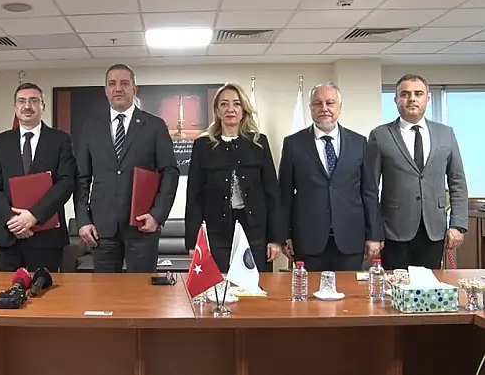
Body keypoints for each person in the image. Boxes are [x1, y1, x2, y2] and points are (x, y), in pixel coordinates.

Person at [75, 63, 179, 273]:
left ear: (134, 88)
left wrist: (157, 215)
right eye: (112, 84)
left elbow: (170, 172)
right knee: (106, 290)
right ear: (106, 90)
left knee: (142, 290)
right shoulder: (91, 127)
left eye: (124, 83)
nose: (118, 89)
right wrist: (83, 220)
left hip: (142, 225)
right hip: (102, 228)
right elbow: (81, 178)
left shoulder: (155, 126)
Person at [278, 82, 383, 272]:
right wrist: (283, 234)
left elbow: (369, 192)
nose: (324, 108)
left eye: (330, 103)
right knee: (310, 290)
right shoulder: (293, 144)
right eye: (317, 103)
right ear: (310, 107)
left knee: (349, 290)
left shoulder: (359, 142)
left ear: (339, 107)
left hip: (351, 238)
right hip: (308, 239)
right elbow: (284, 194)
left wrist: (374, 234)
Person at [367, 74, 468, 270]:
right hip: (393, 230)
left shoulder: (446, 133)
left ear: (427, 98)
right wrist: (373, 232)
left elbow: (457, 181)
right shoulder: (380, 135)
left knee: (430, 286)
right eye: (405, 94)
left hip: (434, 230)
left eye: (418, 94)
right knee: (395, 286)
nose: (412, 99)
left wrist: (458, 224)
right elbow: (370, 188)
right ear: (396, 99)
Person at [184, 83, 284, 272]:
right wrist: (193, 241)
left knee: (254, 286)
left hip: (255, 232)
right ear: (217, 110)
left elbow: (272, 192)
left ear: (243, 110)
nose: (230, 109)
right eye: (224, 104)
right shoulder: (203, 145)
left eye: (236, 104)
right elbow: (194, 196)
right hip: (217, 232)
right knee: (220, 285)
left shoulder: (258, 143)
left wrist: (275, 238)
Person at [0, 82, 76, 272]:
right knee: (7, 289)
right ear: (15, 107)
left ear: (43, 106)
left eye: (33, 101)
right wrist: (13, 220)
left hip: (47, 236)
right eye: (22, 101)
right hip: (9, 235)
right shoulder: (1, 141)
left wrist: (34, 216)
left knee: (45, 288)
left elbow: (66, 182)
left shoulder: (61, 139)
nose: (27, 106)